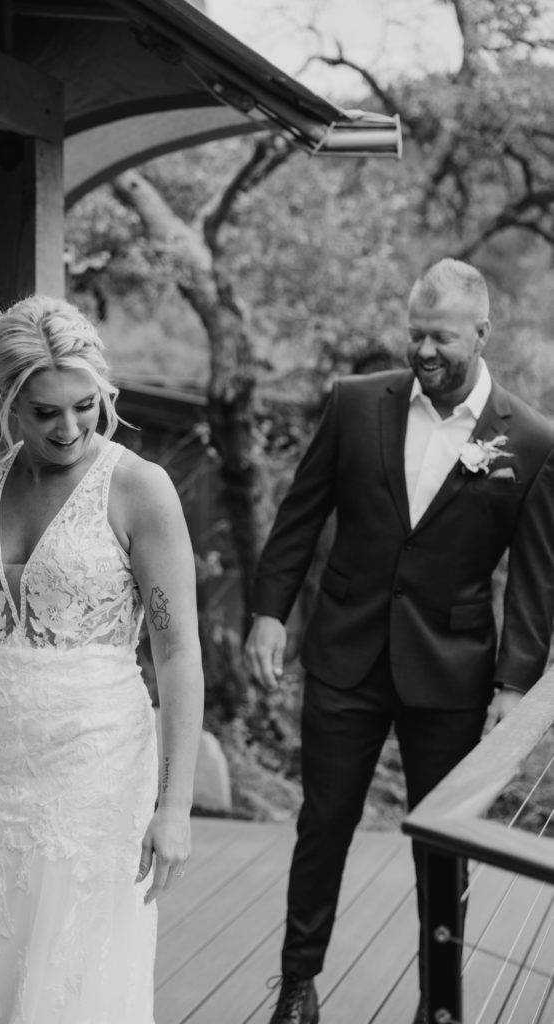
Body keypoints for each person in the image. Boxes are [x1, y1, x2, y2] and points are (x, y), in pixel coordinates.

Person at [244, 258, 554, 1024]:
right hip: (345, 653)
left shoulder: (533, 440)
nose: (422, 351)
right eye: (414, 333)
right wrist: (269, 612)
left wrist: (513, 687)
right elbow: (299, 514)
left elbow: (534, 577)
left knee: (441, 849)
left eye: (440, 338)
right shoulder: (355, 404)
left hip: (450, 670)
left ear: (481, 332)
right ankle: (295, 985)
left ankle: (433, 1004)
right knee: (323, 823)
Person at [0, 295, 204, 1024]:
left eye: (84, 405)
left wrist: (175, 805)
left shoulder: (139, 488)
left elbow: (178, 652)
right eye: (44, 412)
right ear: (8, 404)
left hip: (95, 764)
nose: (69, 427)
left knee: (67, 972)